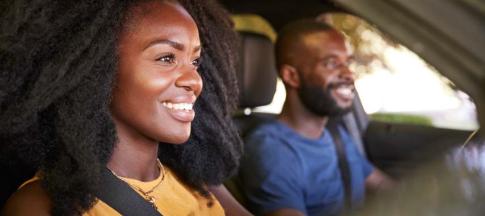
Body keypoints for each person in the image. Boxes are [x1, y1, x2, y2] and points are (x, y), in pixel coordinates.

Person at [0, 0, 249, 215]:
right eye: (166, 58)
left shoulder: (199, 184)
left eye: (194, 61)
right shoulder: (39, 206)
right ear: (97, 69)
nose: (194, 81)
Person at [239, 19, 394, 216]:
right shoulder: (272, 152)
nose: (349, 74)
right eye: (331, 63)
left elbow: (380, 184)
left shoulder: (334, 133)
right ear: (292, 76)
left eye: (347, 62)